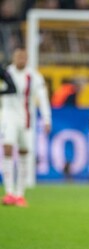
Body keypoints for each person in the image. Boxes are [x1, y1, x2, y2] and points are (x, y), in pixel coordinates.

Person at [1, 48, 52, 207]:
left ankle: (20, 194)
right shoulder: (6, 73)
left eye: (23, 57)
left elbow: (42, 98)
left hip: (26, 118)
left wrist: (46, 118)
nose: (20, 60)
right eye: (18, 57)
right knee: (7, 148)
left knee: (24, 153)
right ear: (14, 58)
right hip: (8, 115)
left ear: (27, 59)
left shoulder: (35, 76)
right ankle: (9, 192)